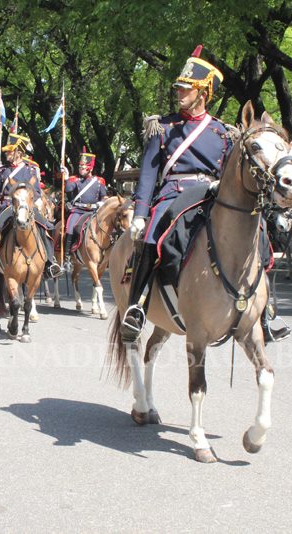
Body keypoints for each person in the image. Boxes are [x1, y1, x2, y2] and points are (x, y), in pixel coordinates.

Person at [121, 46, 233, 342]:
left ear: (203, 92)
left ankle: (263, 312)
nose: (180, 92)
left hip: (211, 195)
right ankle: (137, 306)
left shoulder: (224, 134)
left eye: (186, 88)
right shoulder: (163, 128)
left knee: (250, 232)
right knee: (152, 235)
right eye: (179, 88)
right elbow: (148, 173)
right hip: (174, 193)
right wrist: (140, 213)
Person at [0, 133, 63, 279]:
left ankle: (51, 262)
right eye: (6, 151)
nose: (7, 153)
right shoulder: (2, 171)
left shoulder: (30, 170)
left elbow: (37, 192)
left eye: (10, 151)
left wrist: (37, 203)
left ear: (19, 152)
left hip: (27, 207)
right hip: (8, 205)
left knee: (47, 226)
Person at [62, 151, 107, 271]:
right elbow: (68, 189)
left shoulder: (99, 181)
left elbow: (104, 196)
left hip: (94, 211)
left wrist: (101, 202)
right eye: (80, 166)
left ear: (90, 168)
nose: (81, 169)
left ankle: (107, 252)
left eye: (84, 167)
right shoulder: (74, 180)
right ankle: (67, 257)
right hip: (78, 210)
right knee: (70, 228)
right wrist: (66, 178)